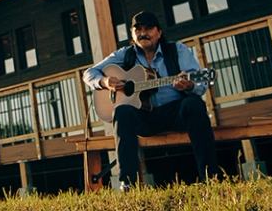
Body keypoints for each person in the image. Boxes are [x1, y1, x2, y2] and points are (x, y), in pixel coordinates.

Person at [84, 10, 216, 188]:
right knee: (122, 111)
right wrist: (104, 81)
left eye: (148, 28)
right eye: (137, 30)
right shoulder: (125, 54)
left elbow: (199, 84)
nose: (142, 33)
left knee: (194, 104)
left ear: (159, 32)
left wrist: (190, 85)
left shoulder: (177, 50)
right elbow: (89, 73)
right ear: (132, 34)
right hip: (145, 118)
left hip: (175, 113)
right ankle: (127, 183)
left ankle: (211, 177)